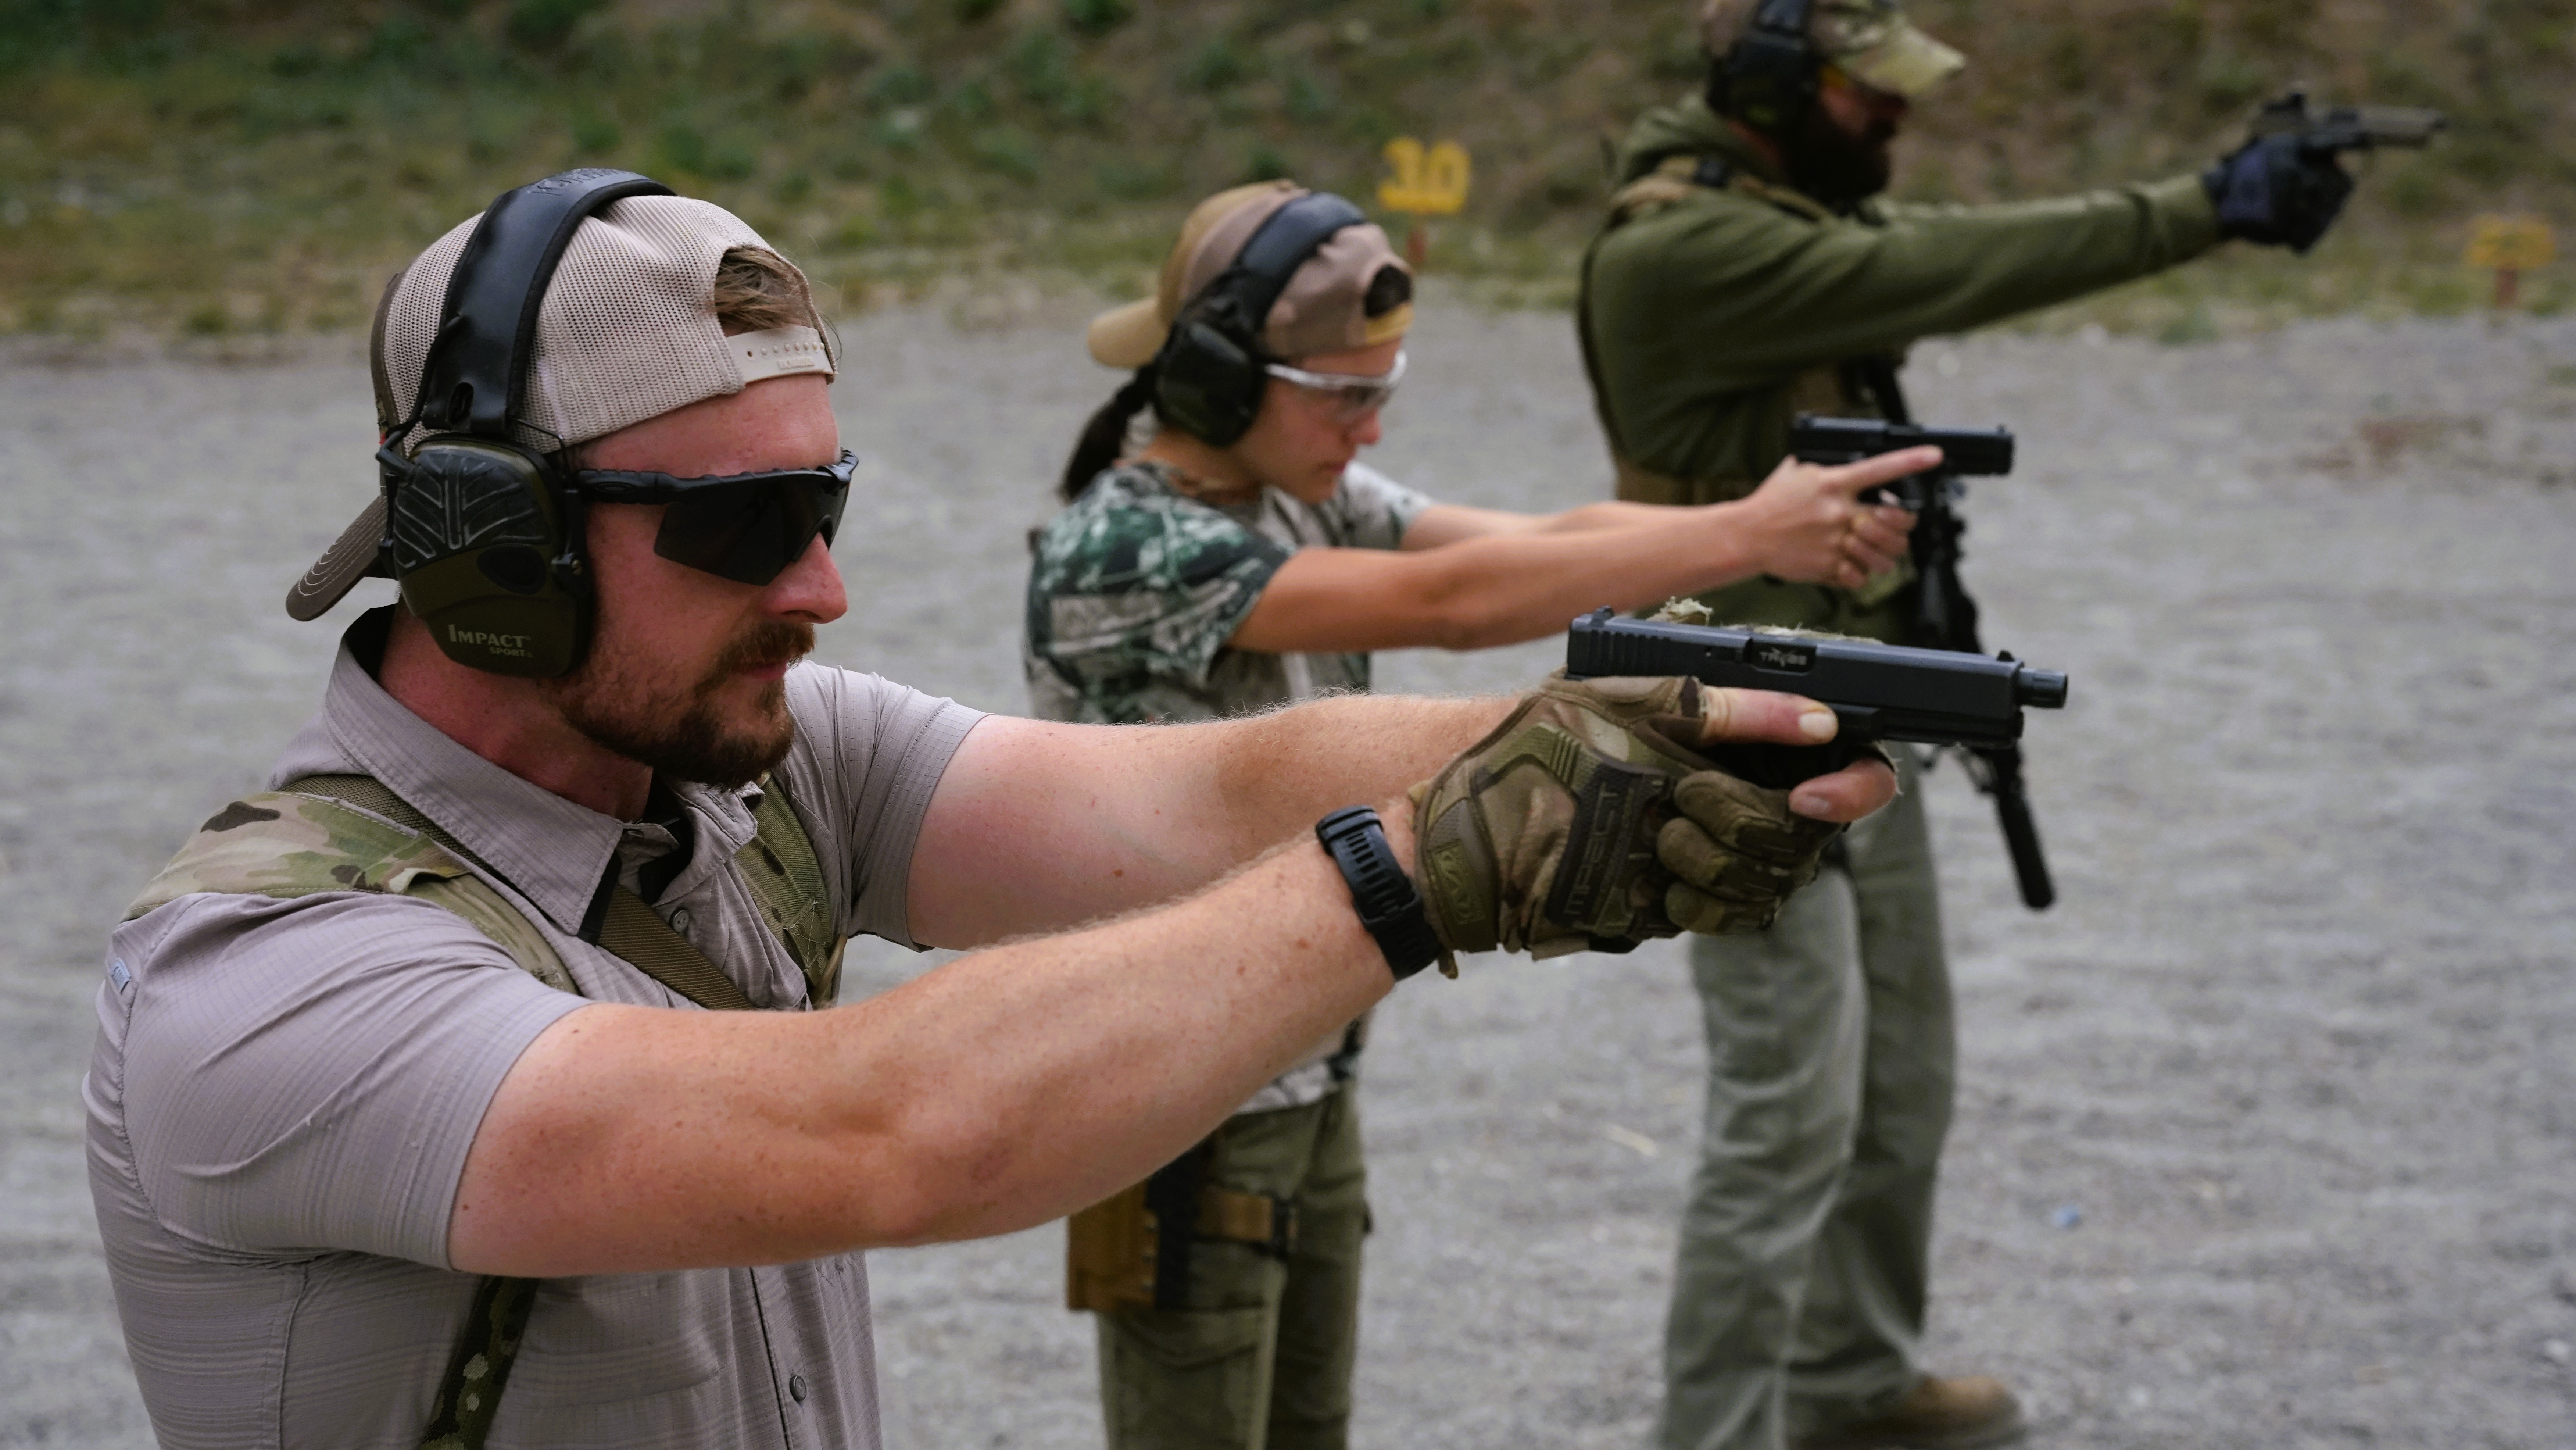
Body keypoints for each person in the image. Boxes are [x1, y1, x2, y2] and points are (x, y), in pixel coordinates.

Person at [83, 172, 1900, 1450]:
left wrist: (1604, 737)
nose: (818, 589)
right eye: (739, 529)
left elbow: (1202, 785)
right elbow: (905, 1127)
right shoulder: (273, 982)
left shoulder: (748, 771)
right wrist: (1422, 870)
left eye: (827, 507)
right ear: (496, 552)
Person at [1024, 179, 1931, 1450]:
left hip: (1299, 1058)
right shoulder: (1125, 550)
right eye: (1346, 396)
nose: (1373, 425)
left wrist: (1756, 540)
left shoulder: (1301, 490)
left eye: (1382, 389)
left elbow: (1548, 537)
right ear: (1228, 380)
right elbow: (1456, 602)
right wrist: (1742, 528)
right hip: (1185, 1096)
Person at [1577, 3, 2366, 1448]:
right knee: (1785, 1120)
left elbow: (1915, 247)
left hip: (1847, 701)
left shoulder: (1777, 210)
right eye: (1866, 93)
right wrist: (2202, 207)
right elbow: (1951, 261)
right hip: (1730, 731)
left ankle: (1848, 1381)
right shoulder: (1687, 248)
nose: (1896, 120)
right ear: (1766, 88)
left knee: (1902, 1080)